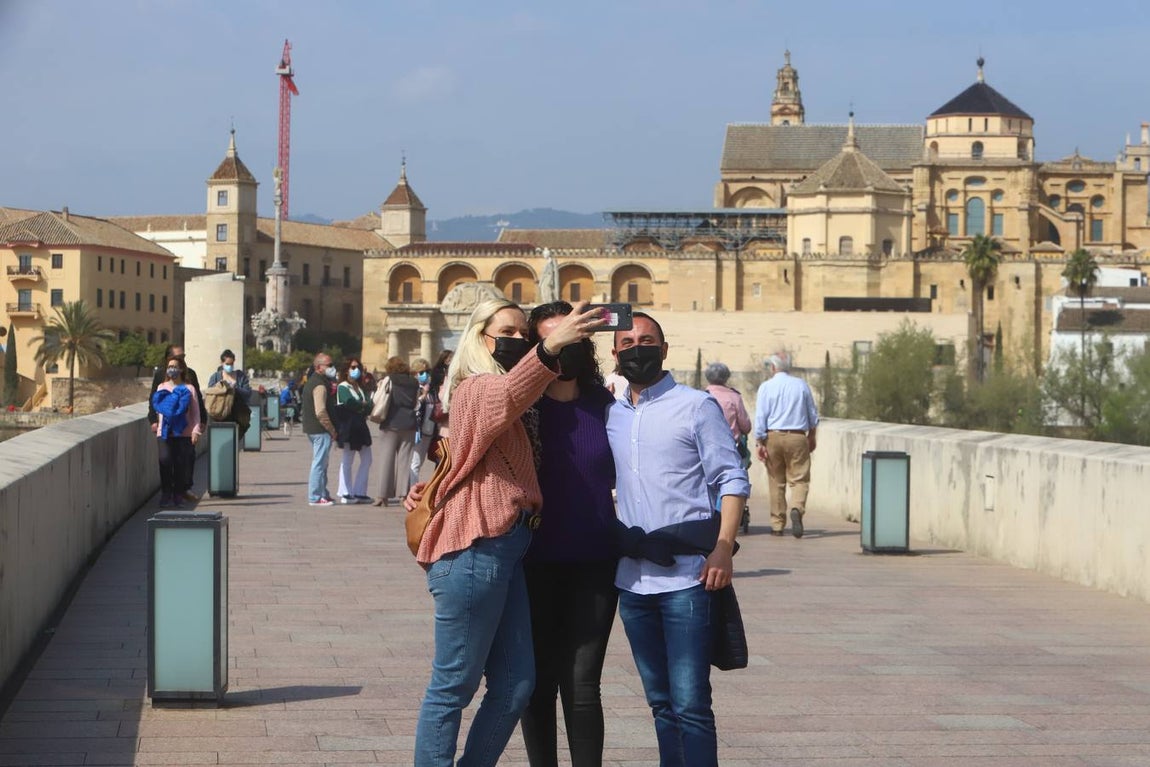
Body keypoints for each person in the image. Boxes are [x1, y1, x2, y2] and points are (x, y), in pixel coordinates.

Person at [410, 297, 603, 767]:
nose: (519, 340)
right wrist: (549, 347)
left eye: (525, 334)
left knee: (517, 683)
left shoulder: (513, 398)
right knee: (453, 684)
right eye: (508, 332)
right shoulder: (475, 387)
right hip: (474, 548)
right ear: (480, 337)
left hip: (507, 548)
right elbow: (505, 398)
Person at [606, 312, 750, 767]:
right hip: (632, 582)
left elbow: (732, 478)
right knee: (660, 703)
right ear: (614, 354)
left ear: (665, 349)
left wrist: (723, 548)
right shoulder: (609, 413)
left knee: (690, 705)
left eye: (647, 340)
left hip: (687, 579)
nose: (637, 348)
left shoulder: (696, 406)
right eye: (627, 341)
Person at [519, 301, 618, 767]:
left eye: (571, 339)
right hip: (532, 562)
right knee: (536, 682)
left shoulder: (606, 407)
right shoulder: (521, 411)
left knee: (582, 683)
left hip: (595, 561)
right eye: (551, 341)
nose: (562, 351)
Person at [753, 352, 819, 538]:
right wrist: (812, 435)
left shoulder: (766, 387)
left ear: (773, 367)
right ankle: (797, 507)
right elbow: (812, 414)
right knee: (800, 478)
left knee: (776, 481)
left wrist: (760, 441)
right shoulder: (801, 385)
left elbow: (760, 417)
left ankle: (777, 524)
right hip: (797, 436)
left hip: (772, 436)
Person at [147, 343, 205, 501]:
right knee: (165, 459)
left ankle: (182, 489)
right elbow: (154, 399)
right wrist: (153, 420)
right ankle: (168, 492)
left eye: (182, 357)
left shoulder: (190, 378)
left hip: (185, 429)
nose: (181, 359)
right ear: (168, 359)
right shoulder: (160, 379)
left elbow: (197, 401)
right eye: (177, 357)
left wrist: (200, 424)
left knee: (185, 460)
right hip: (165, 429)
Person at [373, 356, 420, 506]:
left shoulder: (389, 379)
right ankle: (403, 495)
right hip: (409, 423)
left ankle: (382, 496)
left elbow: (377, 399)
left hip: (391, 422)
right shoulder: (414, 382)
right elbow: (416, 402)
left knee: (386, 459)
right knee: (405, 461)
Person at [334, 357, 373, 504]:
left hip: (360, 426)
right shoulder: (343, 387)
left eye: (358, 367)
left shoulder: (359, 388)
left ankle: (359, 491)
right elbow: (350, 403)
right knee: (347, 460)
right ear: (346, 370)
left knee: (367, 459)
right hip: (349, 427)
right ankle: (345, 491)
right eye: (353, 367)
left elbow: (369, 405)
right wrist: (362, 405)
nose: (356, 370)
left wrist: (362, 405)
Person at [302, 352, 339, 507]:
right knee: (319, 463)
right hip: (320, 429)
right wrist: (331, 429)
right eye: (329, 365)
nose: (332, 368)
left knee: (323, 463)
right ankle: (315, 496)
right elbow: (320, 411)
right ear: (319, 367)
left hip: (314, 428)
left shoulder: (316, 381)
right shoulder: (319, 385)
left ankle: (323, 493)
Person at [207, 349, 253, 439]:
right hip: (220, 415)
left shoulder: (240, 376)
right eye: (227, 364)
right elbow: (210, 392)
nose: (230, 366)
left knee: (234, 441)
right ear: (222, 362)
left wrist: (235, 388)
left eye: (231, 364)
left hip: (238, 415)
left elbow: (247, 393)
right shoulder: (216, 377)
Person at [409, 357, 433, 485]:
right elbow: (413, 407)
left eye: (427, 371)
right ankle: (411, 489)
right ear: (415, 373)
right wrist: (423, 396)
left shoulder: (430, 389)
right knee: (415, 462)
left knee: (420, 461)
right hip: (418, 430)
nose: (426, 374)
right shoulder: (414, 388)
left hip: (429, 430)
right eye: (422, 372)